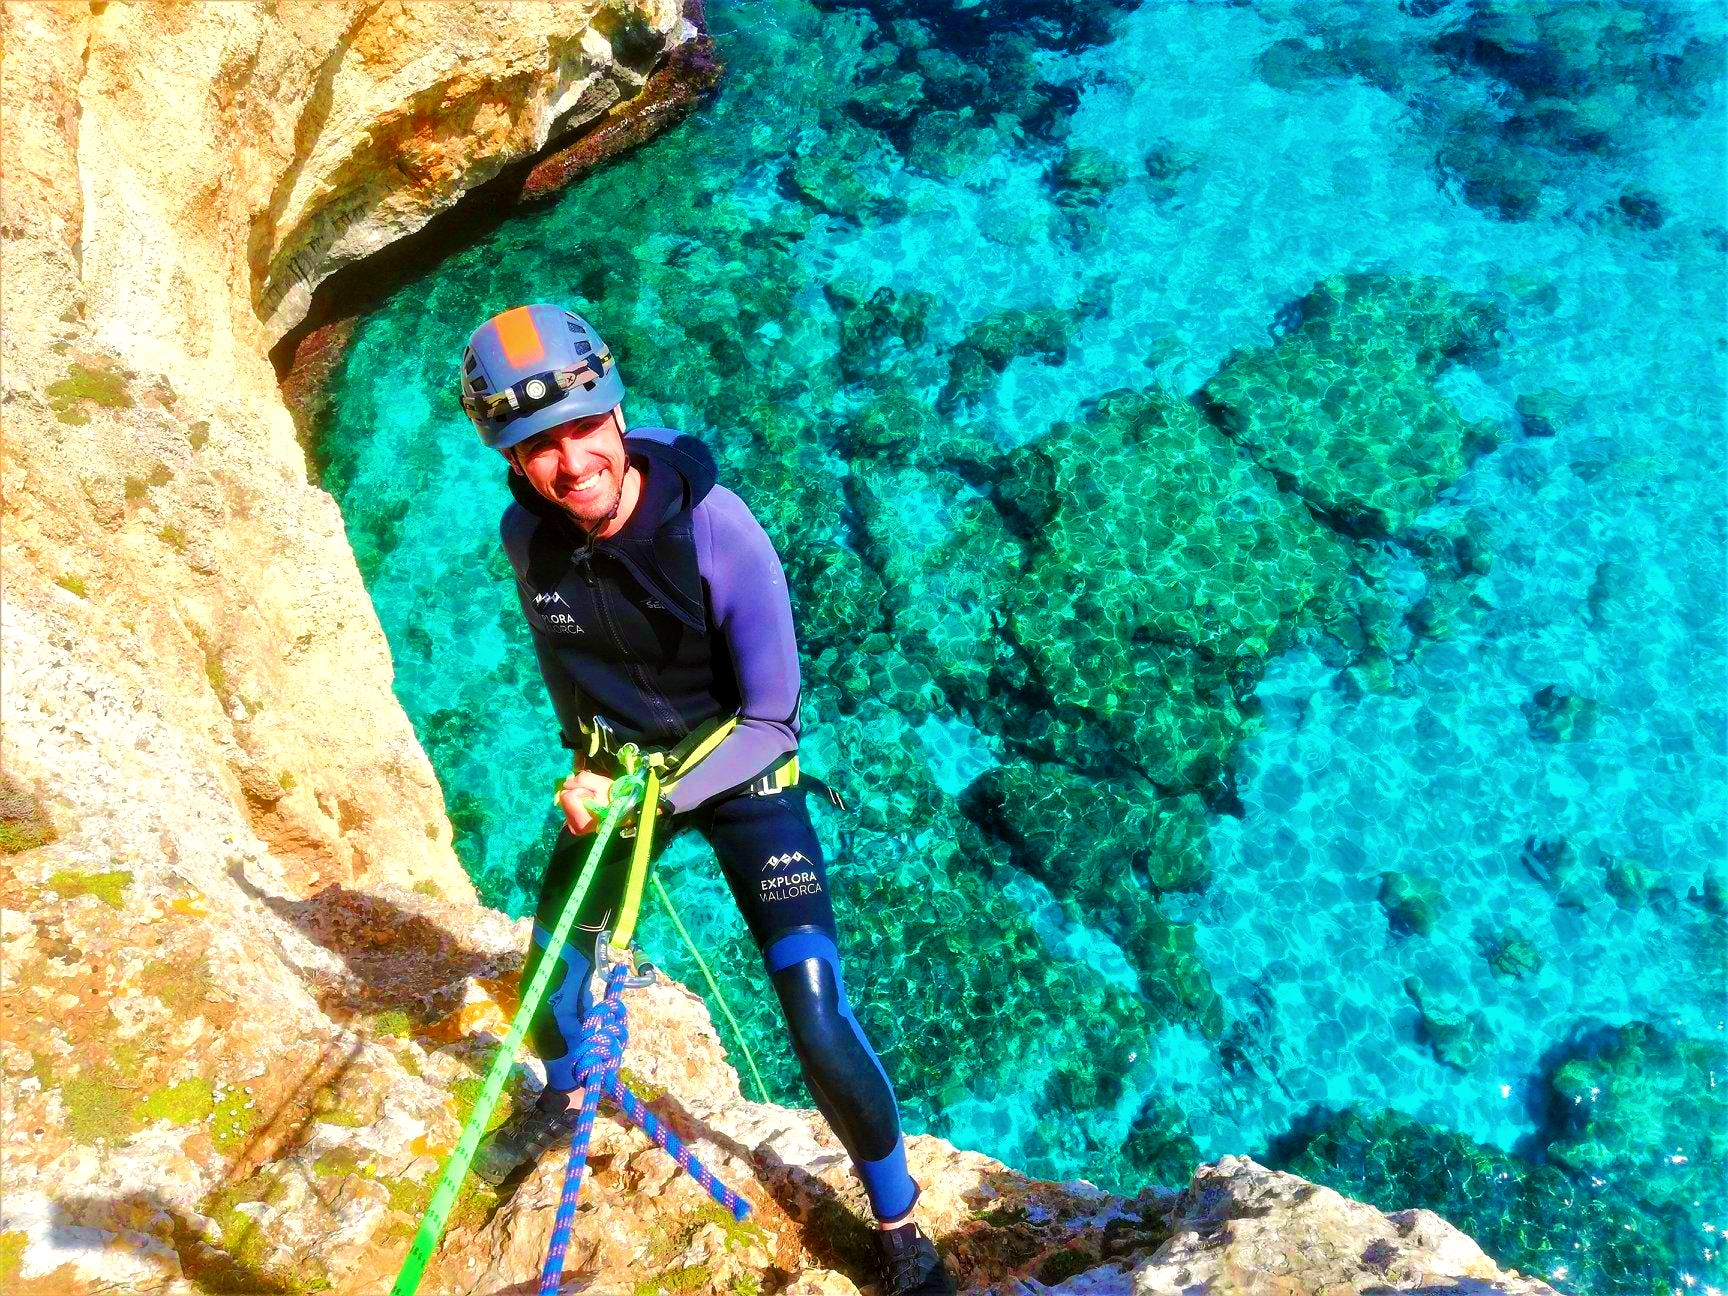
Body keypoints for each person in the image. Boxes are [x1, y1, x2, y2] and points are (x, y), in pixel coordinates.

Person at [459, 303, 956, 1296]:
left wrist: (662, 796)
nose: (571, 464)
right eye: (538, 447)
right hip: (628, 783)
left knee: (815, 1017)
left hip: (740, 778)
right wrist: (585, 763)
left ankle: (901, 1225)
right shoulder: (529, 538)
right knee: (551, 982)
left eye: (583, 429)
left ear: (617, 412)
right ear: (509, 460)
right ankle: (570, 1112)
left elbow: (775, 719)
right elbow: (567, 662)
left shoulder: (715, 530)